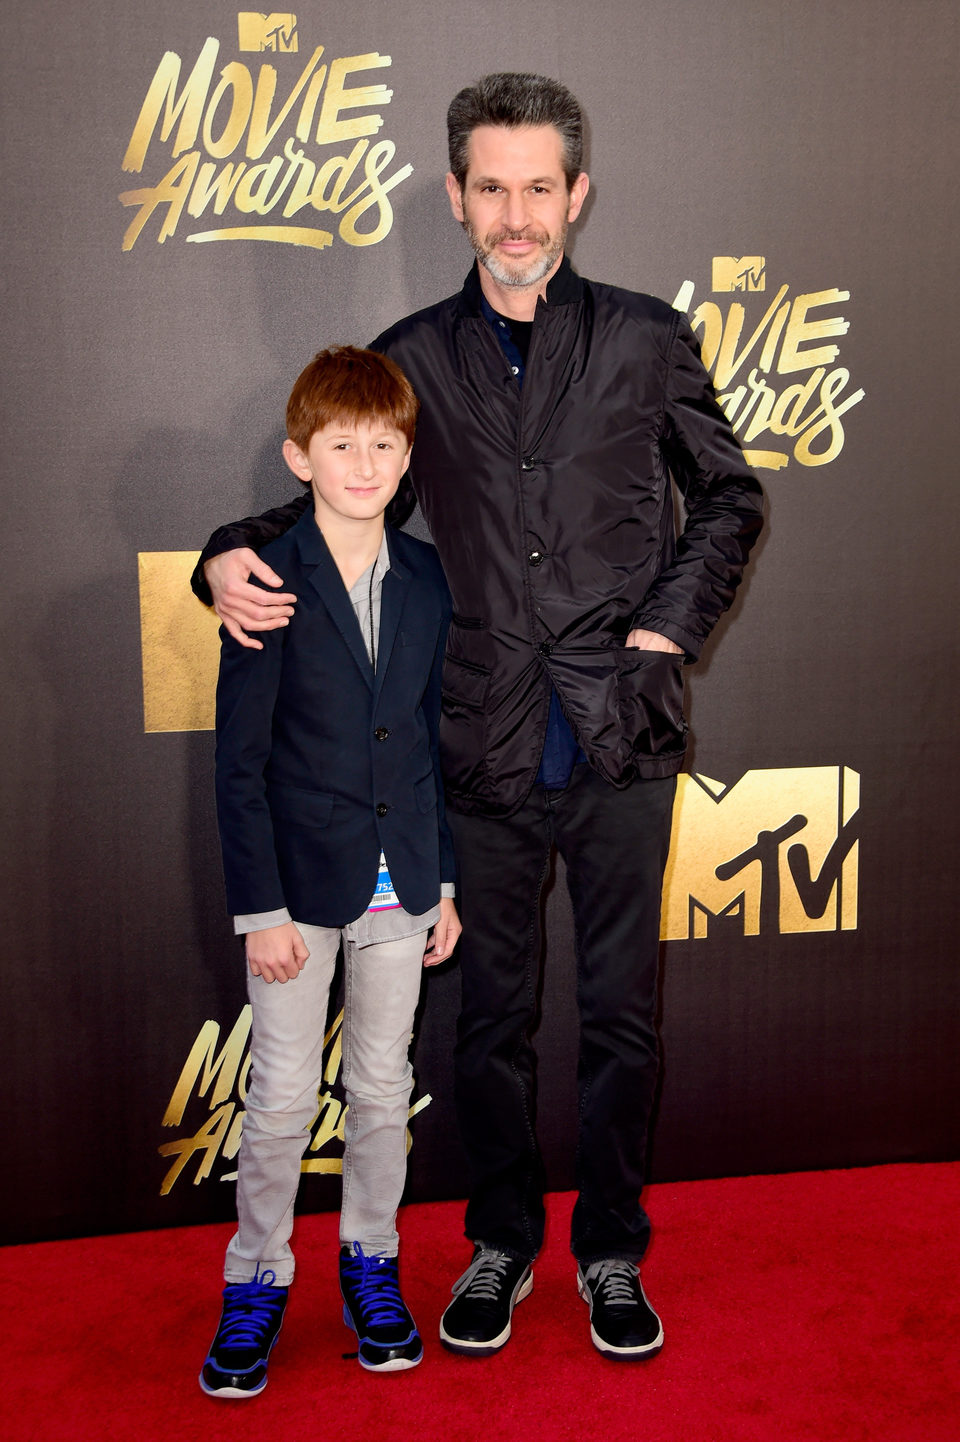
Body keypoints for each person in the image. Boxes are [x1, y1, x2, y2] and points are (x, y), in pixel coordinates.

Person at [194, 73, 763, 1363]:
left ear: (578, 194)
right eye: (490, 188)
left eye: (539, 187)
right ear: (455, 197)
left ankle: (610, 1249)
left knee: (622, 1016)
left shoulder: (644, 336)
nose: (517, 215)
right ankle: (499, 1241)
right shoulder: (408, 354)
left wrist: (667, 626)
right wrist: (220, 557)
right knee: (489, 1019)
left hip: (621, 741)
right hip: (478, 749)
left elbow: (729, 498)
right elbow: (335, 495)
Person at [200, 345, 460, 1397]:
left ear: (408, 458)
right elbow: (240, 761)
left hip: (403, 882)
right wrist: (260, 907)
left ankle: (372, 1260)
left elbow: (428, 742)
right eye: (342, 445)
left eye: (385, 445)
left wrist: (441, 880)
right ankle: (255, 1276)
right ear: (298, 455)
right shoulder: (265, 577)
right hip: (295, 897)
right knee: (277, 1097)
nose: (365, 463)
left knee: (385, 1086)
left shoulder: (432, 578)